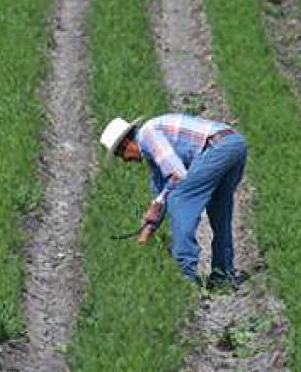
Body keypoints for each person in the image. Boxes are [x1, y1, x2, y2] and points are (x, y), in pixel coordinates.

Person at [100, 113, 247, 287]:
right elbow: (161, 192)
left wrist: (161, 202)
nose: (125, 161)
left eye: (121, 156)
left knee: (180, 199)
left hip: (217, 147)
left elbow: (177, 175)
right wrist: (149, 227)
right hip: (234, 143)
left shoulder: (148, 135)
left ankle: (184, 276)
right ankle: (223, 276)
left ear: (125, 144)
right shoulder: (152, 150)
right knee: (218, 209)